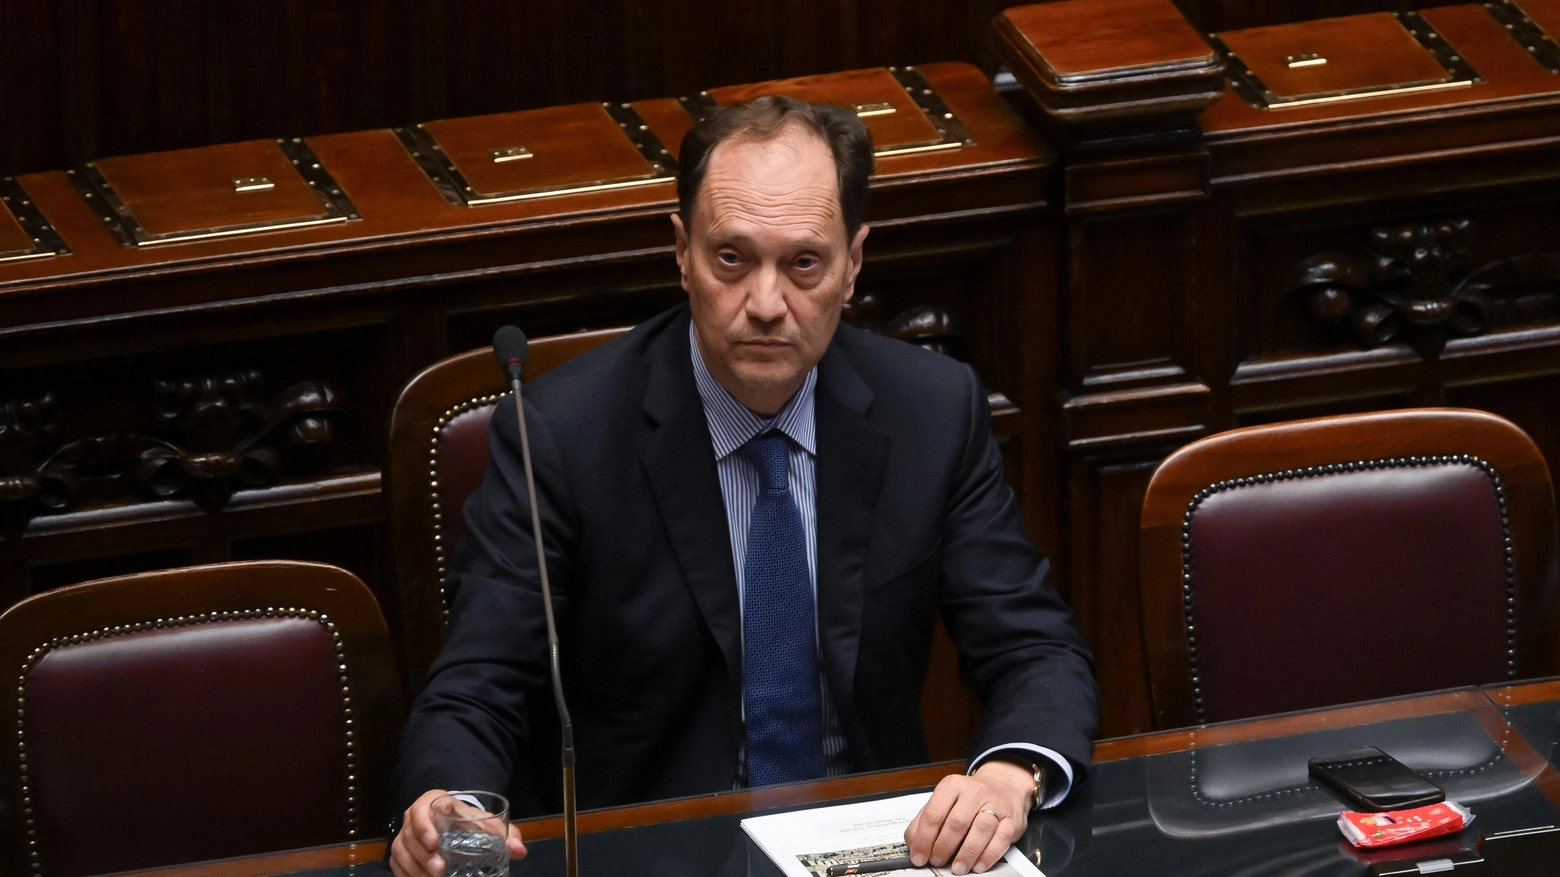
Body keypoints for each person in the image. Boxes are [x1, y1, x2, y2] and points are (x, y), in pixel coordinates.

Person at [389, 96, 1099, 877]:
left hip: (874, 852)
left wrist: (1008, 773)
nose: (765, 304)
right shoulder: (563, 434)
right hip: (654, 862)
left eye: (803, 263)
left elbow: (1034, 648)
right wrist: (447, 806)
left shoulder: (931, 412)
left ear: (854, 261)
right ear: (681, 252)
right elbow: (476, 687)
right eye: (732, 259)